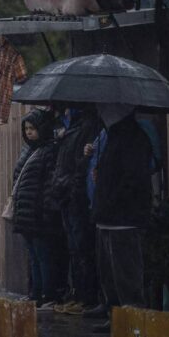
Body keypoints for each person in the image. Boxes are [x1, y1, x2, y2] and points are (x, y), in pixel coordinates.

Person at [90, 111, 153, 333]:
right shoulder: (113, 136)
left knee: (126, 273)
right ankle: (115, 314)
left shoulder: (133, 138)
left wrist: (111, 199)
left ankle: (132, 318)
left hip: (124, 218)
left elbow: (133, 179)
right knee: (109, 274)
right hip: (107, 217)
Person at [49, 108, 102, 314]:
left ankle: (87, 297)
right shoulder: (66, 126)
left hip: (76, 196)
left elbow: (81, 163)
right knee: (74, 248)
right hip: (65, 193)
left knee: (82, 248)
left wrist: (72, 188)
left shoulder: (87, 126)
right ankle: (78, 294)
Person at [11, 109, 60, 308]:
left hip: (39, 213)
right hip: (26, 212)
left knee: (43, 255)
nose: (29, 132)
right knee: (33, 256)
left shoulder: (48, 151)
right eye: (26, 129)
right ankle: (35, 292)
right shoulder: (29, 151)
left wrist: (46, 211)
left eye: (33, 128)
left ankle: (47, 294)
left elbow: (49, 184)